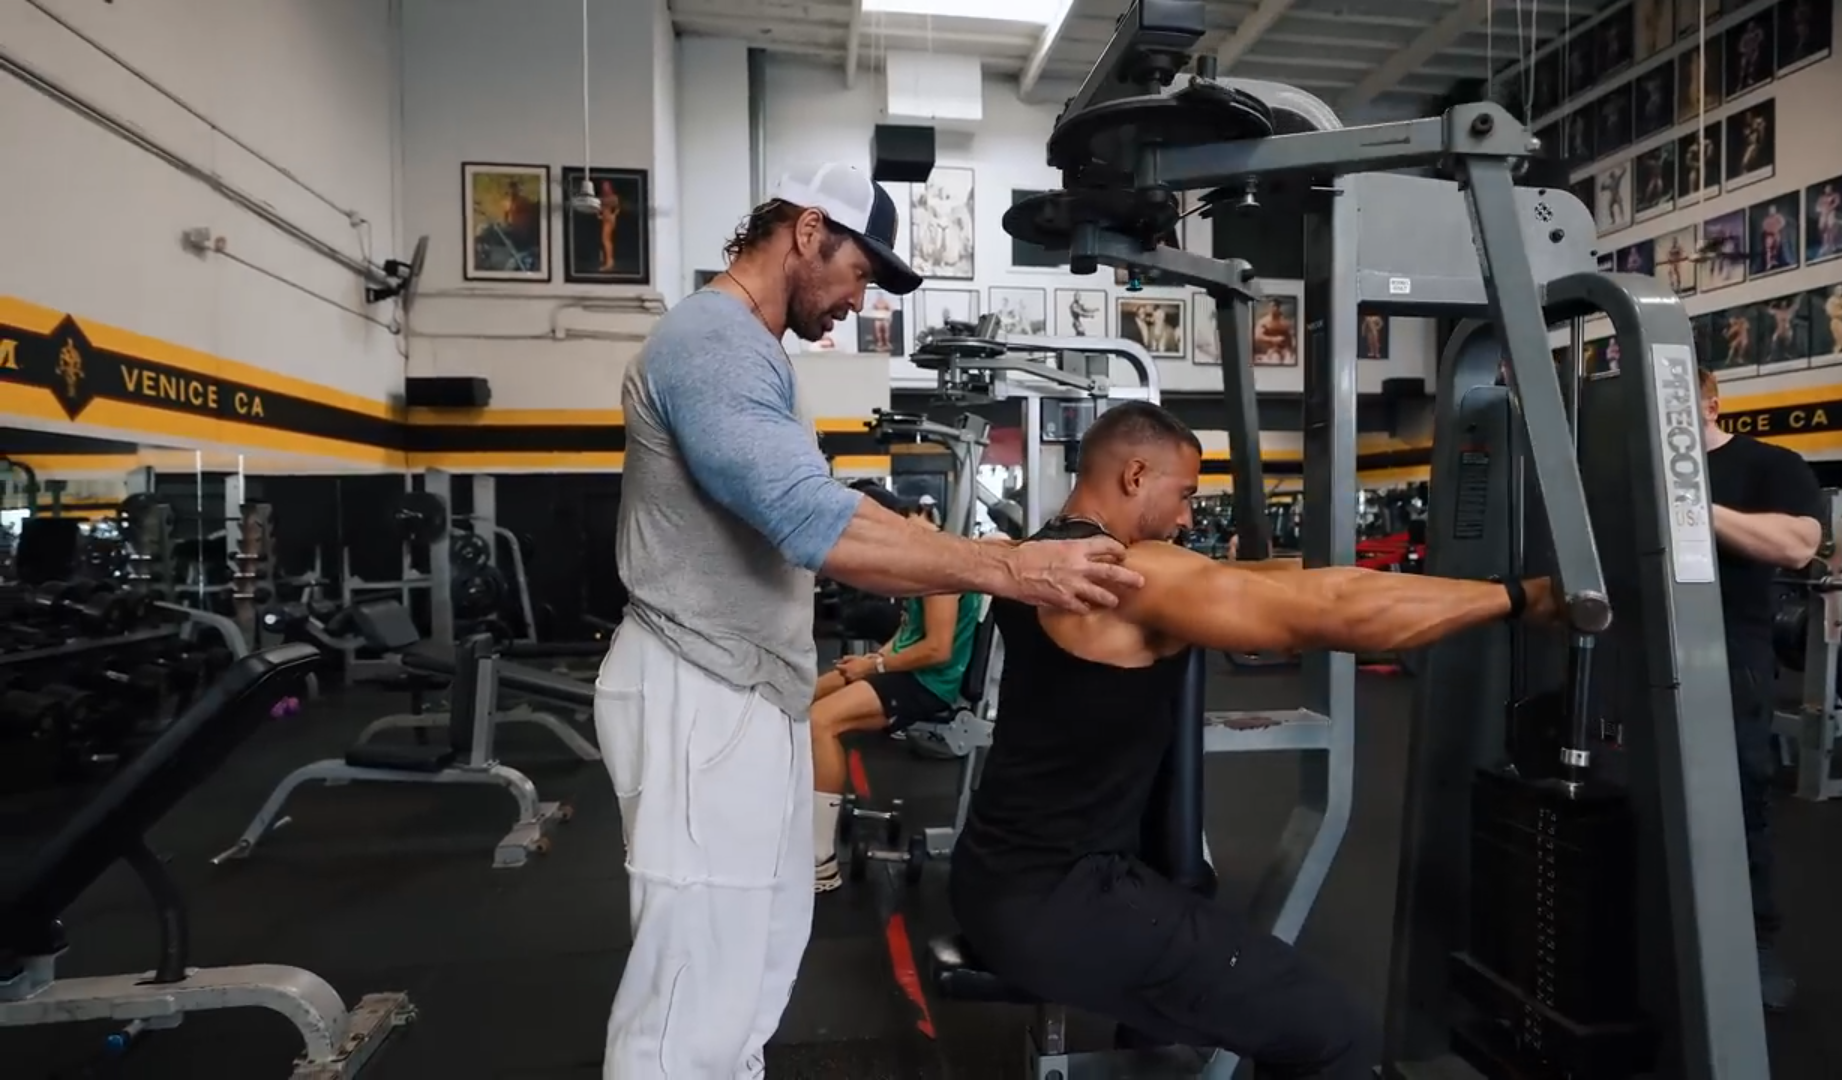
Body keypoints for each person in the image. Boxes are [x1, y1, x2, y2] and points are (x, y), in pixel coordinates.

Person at [594, 162, 1144, 1080]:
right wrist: (1009, 566)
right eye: (860, 272)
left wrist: (966, 553)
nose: (860, 299)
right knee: (694, 984)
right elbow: (810, 520)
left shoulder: (753, 350)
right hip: (699, 688)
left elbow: (817, 512)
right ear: (809, 232)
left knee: (757, 958)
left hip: (745, 687)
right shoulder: (713, 343)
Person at [948, 401, 1564, 1079]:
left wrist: (1416, 582)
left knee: (1198, 922)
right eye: (1185, 495)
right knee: (1335, 1036)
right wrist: (1517, 597)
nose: (1188, 518)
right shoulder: (1127, 576)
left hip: (1003, 876)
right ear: (1134, 476)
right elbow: (1331, 612)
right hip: (1061, 899)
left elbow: (1259, 580)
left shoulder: (1045, 556)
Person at [1698, 365, 1823, 1010]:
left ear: (1710, 404)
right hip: (1630, 655)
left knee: (1739, 806)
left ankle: (1755, 945)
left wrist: (1690, 502)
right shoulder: (1622, 470)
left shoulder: (1770, 466)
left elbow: (1799, 545)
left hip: (1731, 662)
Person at [809, 488, 984, 892]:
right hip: (904, 670)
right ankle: (803, 814)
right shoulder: (917, 554)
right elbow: (907, 636)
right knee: (799, 695)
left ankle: (820, 860)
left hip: (927, 683)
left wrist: (876, 665)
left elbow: (937, 649)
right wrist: (870, 662)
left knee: (820, 722)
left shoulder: (938, 560)